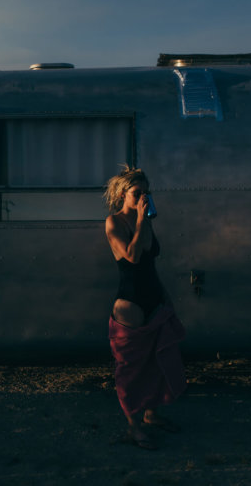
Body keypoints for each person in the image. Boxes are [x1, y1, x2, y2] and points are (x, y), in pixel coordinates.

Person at [104, 167, 187, 450]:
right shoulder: (114, 222)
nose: (142, 198)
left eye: (145, 193)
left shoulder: (146, 223)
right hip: (130, 303)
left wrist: (165, 295)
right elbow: (132, 256)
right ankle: (134, 427)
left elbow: (151, 265)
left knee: (158, 359)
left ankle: (152, 415)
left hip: (153, 295)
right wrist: (140, 219)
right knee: (131, 367)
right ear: (122, 195)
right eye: (136, 193)